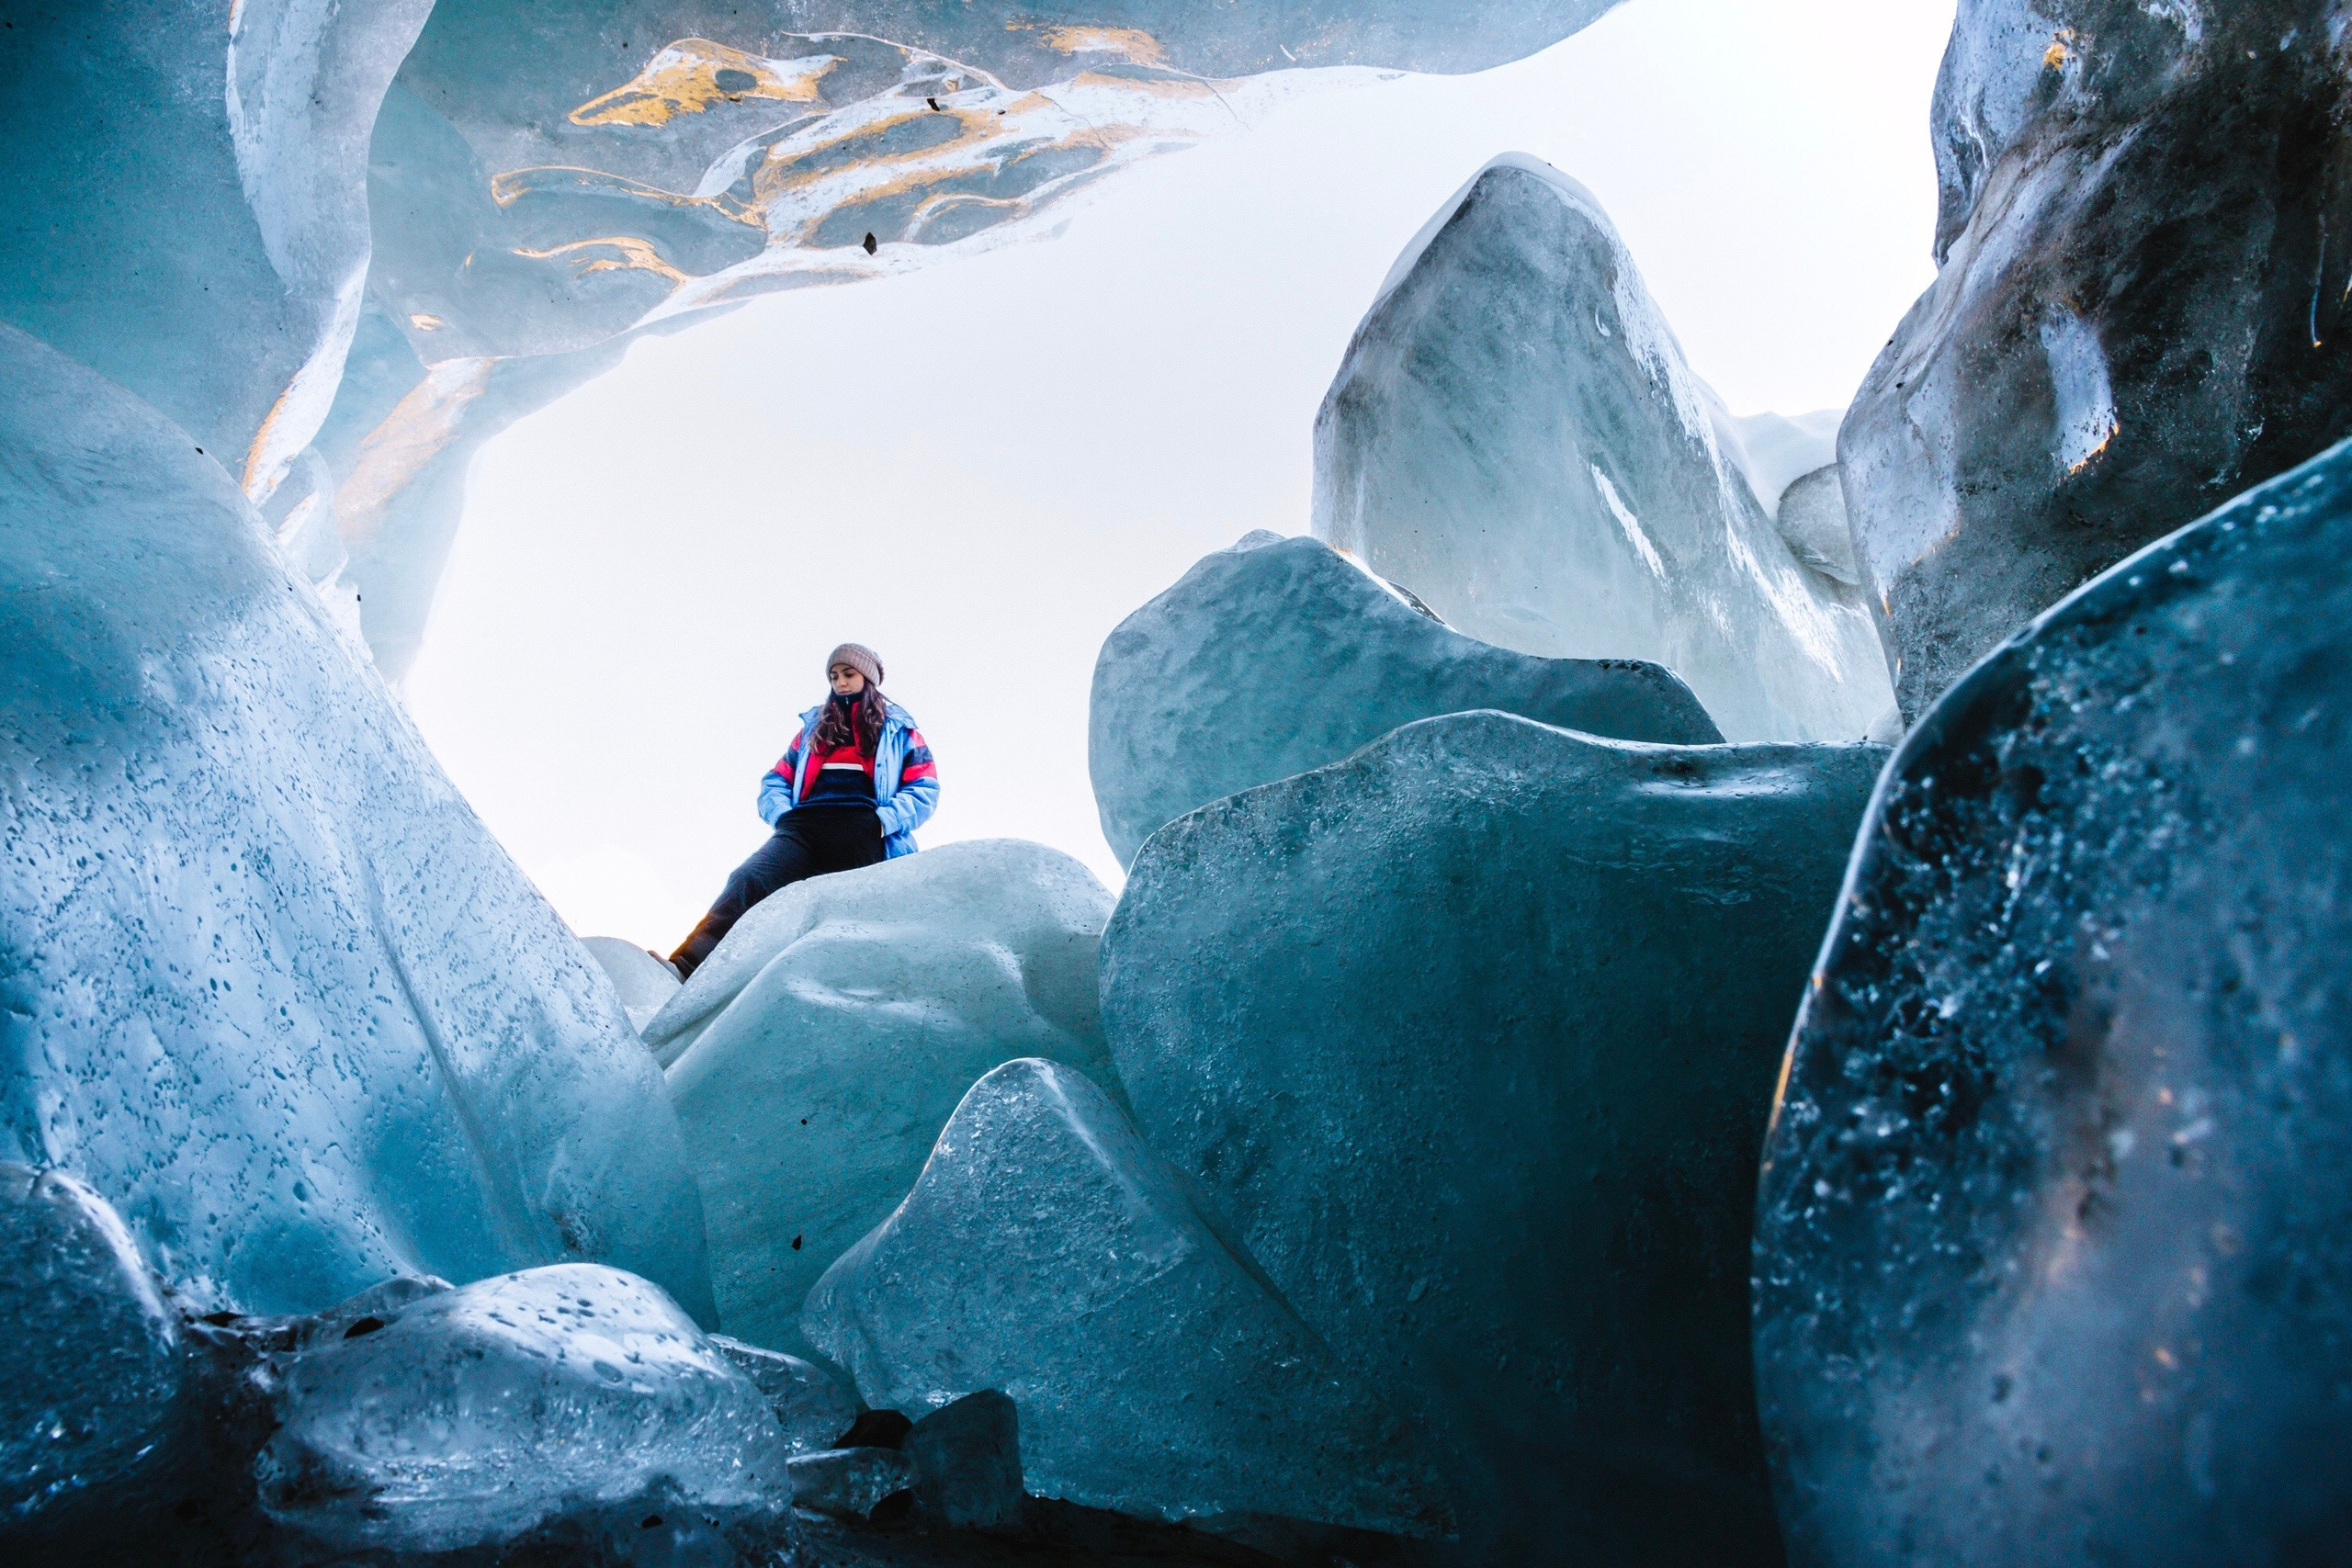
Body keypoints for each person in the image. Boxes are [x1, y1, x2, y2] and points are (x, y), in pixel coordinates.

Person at [665, 643, 937, 979]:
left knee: (850, 913)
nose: (840, 682)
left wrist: (882, 823)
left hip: (862, 827)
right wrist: (782, 816)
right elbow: (775, 780)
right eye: (834, 676)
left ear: (867, 677)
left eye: (848, 674)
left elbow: (924, 789)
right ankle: (685, 965)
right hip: (804, 826)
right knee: (749, 879)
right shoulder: (812, 728)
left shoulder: (900, 730)